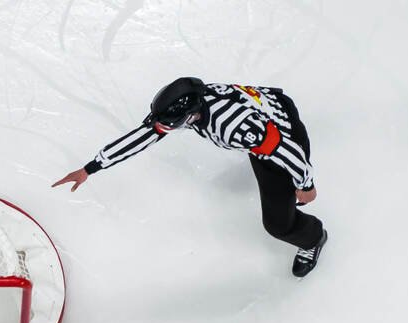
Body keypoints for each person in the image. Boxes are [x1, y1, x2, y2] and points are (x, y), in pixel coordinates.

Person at [53, 77, 327, 277]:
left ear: (192, 117)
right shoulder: (195, 98)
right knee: (259, 150)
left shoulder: (233, 126)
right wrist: (91, 168)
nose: (161, 128)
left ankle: (313, 238)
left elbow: (285, 150)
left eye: (170, 125)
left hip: (284, 135)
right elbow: (145, 135)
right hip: (265, 115)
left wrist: (306, 185)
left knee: (278, 224)